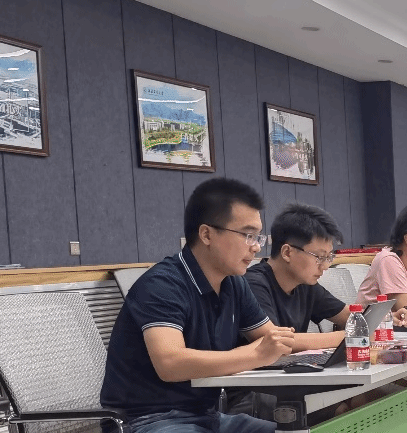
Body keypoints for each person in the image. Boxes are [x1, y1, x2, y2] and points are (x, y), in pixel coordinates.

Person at [101, 178, 284, 433]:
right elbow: (170, 363)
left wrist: (340, 339)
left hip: (206, 417)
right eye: (247, 235)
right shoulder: (162, 284)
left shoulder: (233, 283)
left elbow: (272, 339)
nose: (255, 247)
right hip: (146, 421)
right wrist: (256, 354)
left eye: (258, 237)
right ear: (207, 234)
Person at [231, 203, 407, 419]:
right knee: (357, 405)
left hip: (294, 379)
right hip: (256, 390)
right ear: (287, 252)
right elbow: (275, 343)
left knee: (394, 395)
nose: (325, 266)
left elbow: (350, 316)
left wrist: (387, 318)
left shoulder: (306, 285)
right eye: (319, 257)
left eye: (329, 257)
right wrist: (349, 337)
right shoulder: (254, 283)